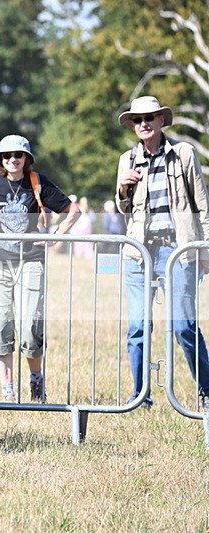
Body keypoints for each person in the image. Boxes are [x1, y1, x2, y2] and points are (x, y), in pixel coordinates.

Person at [0, 134, 80, 403]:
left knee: (29, 327)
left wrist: (56, 235)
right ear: (0, 160)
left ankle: (36, 380)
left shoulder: (37, 183)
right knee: (1, 324)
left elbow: (73, 210)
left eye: (18, 155)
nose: (12, 160)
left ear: (27, 159)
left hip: (31, 261)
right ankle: (7, 391)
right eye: (6, 156)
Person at [115, 95, 209, 410]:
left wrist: (205, 249)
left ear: (161, 121)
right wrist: (123, 190)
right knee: (138, 326)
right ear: (132, 125)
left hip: (178, 248)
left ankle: (206, 391)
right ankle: (140, 396)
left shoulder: (183, 153)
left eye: (149, 119)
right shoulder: (126, 159)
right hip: (140, 250)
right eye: (137, 120)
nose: (143, 124)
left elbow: (202, 204)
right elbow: (123, 209)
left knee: (183, 325)